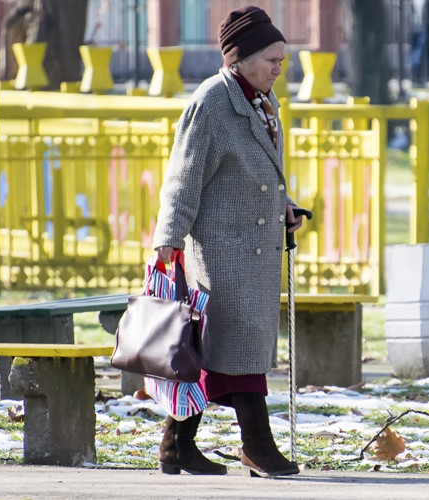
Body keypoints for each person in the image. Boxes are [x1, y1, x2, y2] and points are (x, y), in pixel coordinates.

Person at [151, 5, 307, 478]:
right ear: (239, 59)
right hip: (220, 249)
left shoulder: (263, 102)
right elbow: (184, 177)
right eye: (271, 61)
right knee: (233, 346)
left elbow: (261, 172)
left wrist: (285, 206)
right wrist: (168, 239)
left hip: (255, 245)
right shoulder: (213, 102)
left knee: (214, 350)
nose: (279, 70)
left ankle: (176, 444)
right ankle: (257, 445)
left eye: (282, 61)